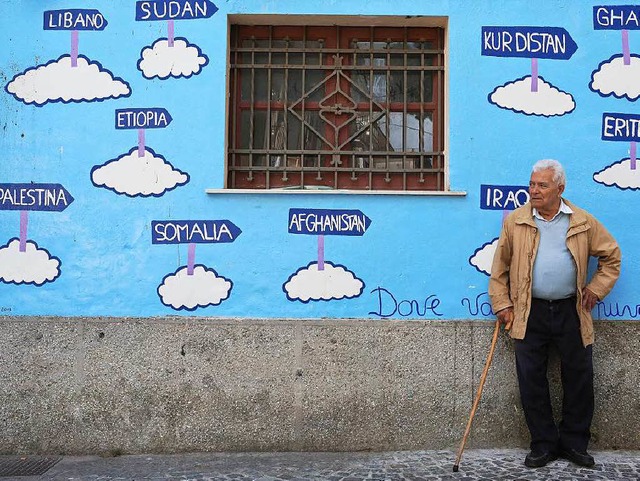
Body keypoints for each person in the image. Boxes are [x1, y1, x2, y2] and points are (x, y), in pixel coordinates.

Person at [489, 159, 621, 469]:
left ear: (560, 189)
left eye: (542, 185)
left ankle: (575, 443)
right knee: (531, 379)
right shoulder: (516, 221)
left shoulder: (582, 222)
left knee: (579, 377)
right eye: (532, 184)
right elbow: (500, 269)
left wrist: (596, 289)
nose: (533, 190)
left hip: (571, 309)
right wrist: (503, 304)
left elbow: (611, 257)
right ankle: (543, 444)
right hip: (528, 310)